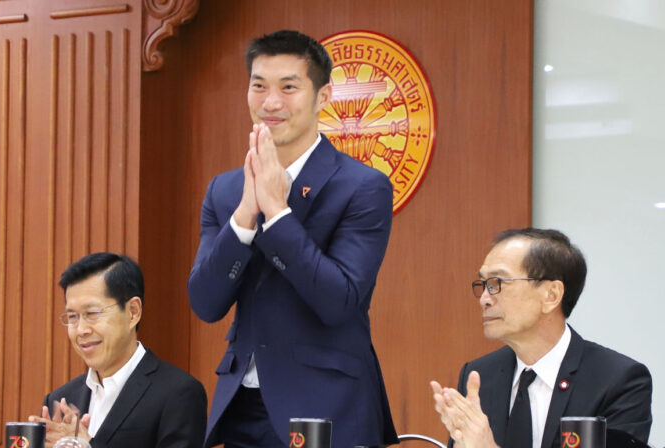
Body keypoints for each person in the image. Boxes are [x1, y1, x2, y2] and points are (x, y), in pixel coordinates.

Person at [187, 30, 398, 448]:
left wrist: (278, 215)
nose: (270, 103)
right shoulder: (226, 191)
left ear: (323, 97)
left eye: (289, 87)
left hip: (327, 407)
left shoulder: (362, 186)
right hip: (241, 406)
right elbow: (205, 303)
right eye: (259, 85)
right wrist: (246, 216)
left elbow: (338, 301)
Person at [430, 228, 652, 448]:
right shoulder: (479, 376)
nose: (485, 299)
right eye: (484, 285)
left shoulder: (618, 380)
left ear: (551, 295)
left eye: (498, 283)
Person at [29, 253, 207, 448]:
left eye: (92, 313)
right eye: (73, 317)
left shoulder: (179, 393)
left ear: (133, 312)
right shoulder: (60, 400)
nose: (81, 330)